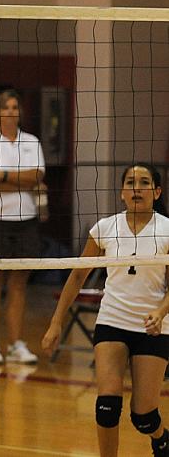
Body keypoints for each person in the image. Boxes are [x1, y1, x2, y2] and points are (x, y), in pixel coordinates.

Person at [42, 163, 169, 457]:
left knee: (144, 416)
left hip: (154, 325)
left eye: (145, 182)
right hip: (112, 319)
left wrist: (161, 312)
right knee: (107, 405)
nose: (137, 188)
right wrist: (56, 322)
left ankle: (161, 437)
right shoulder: (105, 228)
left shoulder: (166, 230)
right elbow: (77, 276)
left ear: (157, 191)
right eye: (130, 182)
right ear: (122, 192)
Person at [0, 89, 46, 365]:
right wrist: (19, 179)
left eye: (16, 107)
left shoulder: (32, 141)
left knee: (19, 284)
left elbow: (36, 177)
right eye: (7, 107)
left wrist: (4, 175)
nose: (12, 112)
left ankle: (16, 344)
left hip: (26, 219)